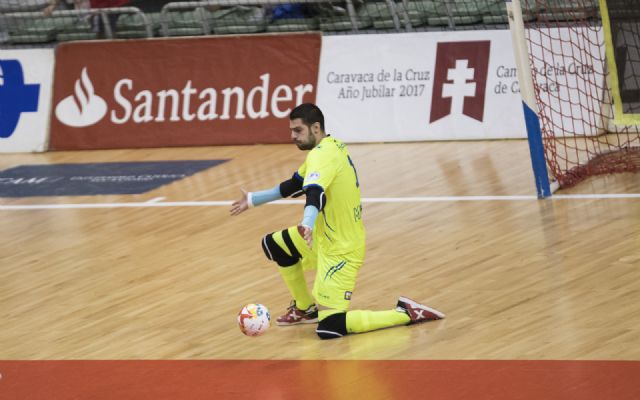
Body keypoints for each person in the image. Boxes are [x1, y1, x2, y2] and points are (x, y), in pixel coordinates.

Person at [230, 103, 445, 339]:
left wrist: (307, 224)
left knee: (329, 328)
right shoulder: (327, 148)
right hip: (323, 239)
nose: (292, 136)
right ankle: (305, 309)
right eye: (291, 130)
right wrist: (251, 199)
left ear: (316, 127)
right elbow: (294, 186)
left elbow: (315, 193)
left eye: (298, 130)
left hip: (342, 250)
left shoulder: (323, 155)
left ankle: (405, 313)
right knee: (274, 245)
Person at [43, 0, 130, 38]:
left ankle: (110, 50)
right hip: (93, 11)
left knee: (104, 21)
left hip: (114, 7)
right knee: (100, 22)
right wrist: (52, 5)